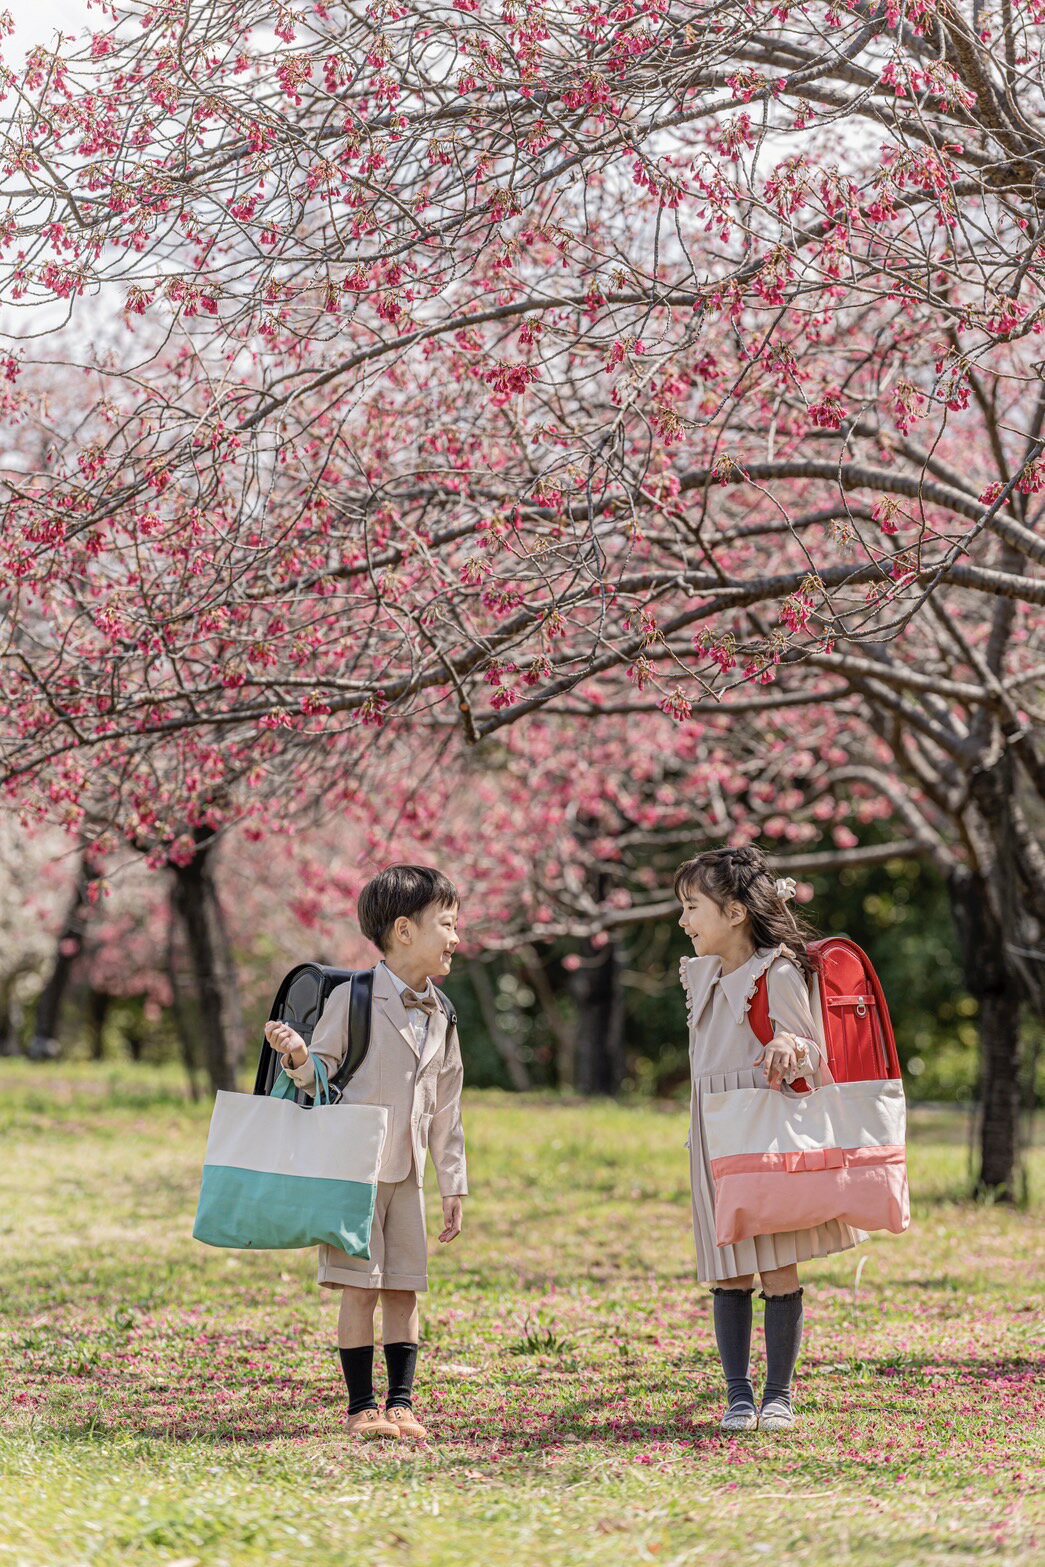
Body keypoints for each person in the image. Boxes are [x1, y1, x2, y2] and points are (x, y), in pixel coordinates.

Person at [264, 864, 467, 1443]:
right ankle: (361, 1407)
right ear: (405, 931)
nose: (456, 938)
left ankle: (401, 1404)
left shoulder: (444, 1012)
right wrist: (300, 1055)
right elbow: (319, 1076)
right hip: (354, 1174)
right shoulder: (353, 998)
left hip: (411, 1175)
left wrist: (454, 1181)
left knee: (404, 1285)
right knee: (360, 1288)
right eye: (446, 925)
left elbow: (449, 1105)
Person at [675, 845, 866, 1433]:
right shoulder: (702, 976)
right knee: (728, 1269)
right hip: (714, 1133)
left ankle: (778, 1395)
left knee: (778, 1265)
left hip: (764, 1132)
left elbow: (812, 1048)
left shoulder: (777, 971)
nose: (683, 920)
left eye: (692, 906)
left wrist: (791, 1046)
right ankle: (738, 1394)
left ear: (734, 912)